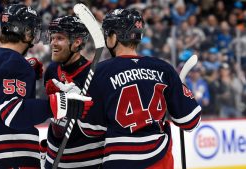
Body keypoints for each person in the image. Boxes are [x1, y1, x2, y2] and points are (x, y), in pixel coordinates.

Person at [0, 4, 92, 169]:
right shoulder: (14, 63)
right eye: (33, 31)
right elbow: (13, 114)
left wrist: (26, 69)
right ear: (26, 32)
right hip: (4, 158)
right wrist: (61, 103)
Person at [78, 9, 202, 169]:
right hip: (160, 161)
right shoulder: (163, 68)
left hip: (119, 161)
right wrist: (181, 88)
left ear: (114, 36)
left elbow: (90, 130)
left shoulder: (98, 72)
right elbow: (191, 121)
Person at [42, 16, 104, 169]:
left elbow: (101, 126)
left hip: (87, 161)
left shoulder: (94, 75)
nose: (53, 43)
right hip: (53, 157)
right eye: (52, 37)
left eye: (60, 38)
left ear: (77, 42)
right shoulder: (51, 70)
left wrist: (81, 107)